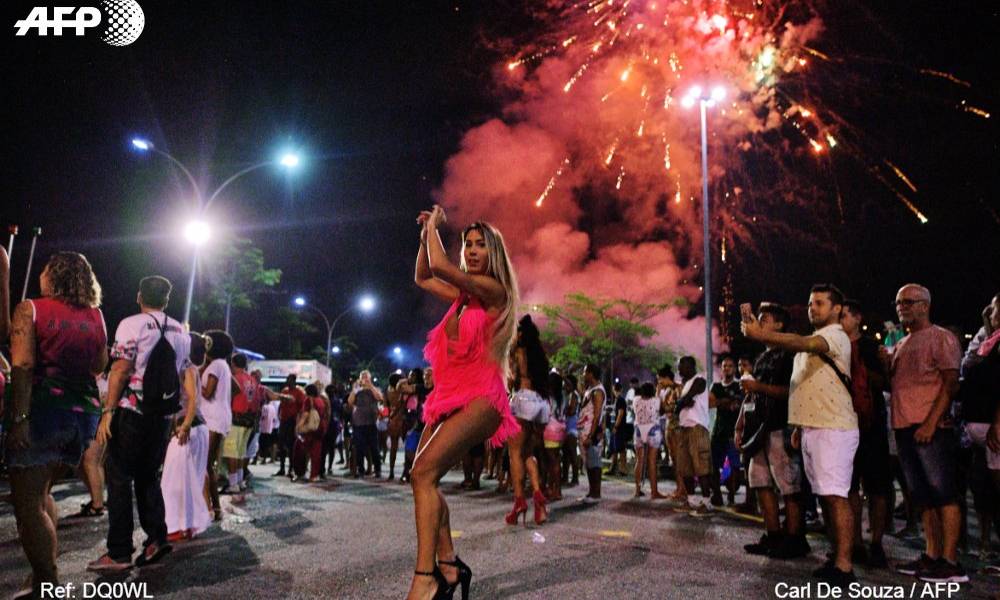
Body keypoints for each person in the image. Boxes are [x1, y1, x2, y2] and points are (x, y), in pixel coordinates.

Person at [407, 206, 519, 600]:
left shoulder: (494, 291)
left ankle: (426, 577)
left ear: (493, 252)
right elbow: (424, 275)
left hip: (481, 397)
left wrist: (436, 228)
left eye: (480, 245)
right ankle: (449, 565)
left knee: (423, 475)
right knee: (422, 477)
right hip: (448, 395)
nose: (471, 251)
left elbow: (439, 265)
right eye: (468, 244)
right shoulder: (462, 297)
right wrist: (427, 233)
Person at [742, 285, 859, 586]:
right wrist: (798, 426)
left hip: (833, 428)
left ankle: (844, 565)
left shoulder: (834, 336)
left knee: (835, 497)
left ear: (836, 309)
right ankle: (836, 557)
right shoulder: (811, 342)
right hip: (812, 428)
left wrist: (760, 334)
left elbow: (801, 342)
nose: (812, 308)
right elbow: (803, 388)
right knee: (825, 497)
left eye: (819, 303)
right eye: (810, 303)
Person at [7, 252, 108, 594]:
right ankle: (43, 576)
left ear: (52, 276)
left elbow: (22, 365)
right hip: (82, 417)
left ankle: (47, 582)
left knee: (27, 506)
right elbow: (99, 364)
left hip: (43, 411)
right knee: (42, 493)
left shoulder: (31, 309)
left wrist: (19, 419)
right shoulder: (96, 316)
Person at [89, 275, 190, 572]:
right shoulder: (181, 332)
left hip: (133, 412)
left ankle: (119, 552)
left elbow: (120, 370)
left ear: (139, 296)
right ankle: (156, 538)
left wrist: (108, 411)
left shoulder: (131, 324)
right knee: (148, 476)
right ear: (167, 300)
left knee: (119, 478)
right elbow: (182, 376)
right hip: (162, 416)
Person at [889, 284, 966, 583]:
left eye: (908, 302)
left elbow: (950, 384)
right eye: (898, 303)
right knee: (923, 496)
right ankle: (932, 555)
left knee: (943, 494)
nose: (901, 307)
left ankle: (950, 562)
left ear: (925, 305)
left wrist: (931, 423)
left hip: (930, 429)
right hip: (905, 427)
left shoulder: (941, 338)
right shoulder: (902, 342)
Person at [736, 303, 805, 559]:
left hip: (780, 425)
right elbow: (752, 395)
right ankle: (773, 535)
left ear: (779, 325)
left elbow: (792, 392)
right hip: (759, 430)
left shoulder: (789, 354)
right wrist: (740, 423)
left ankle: (795, 538)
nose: (759, 320)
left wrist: (759, 387)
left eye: (765, 318)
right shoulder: (763, 357)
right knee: (760, 481)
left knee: (789, 485)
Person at [840, 299, 892, 568]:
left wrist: (862, 372)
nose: (840, 320)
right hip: (843, 424)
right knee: (848, 487)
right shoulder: (833, 346)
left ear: (857, 318)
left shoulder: (871, 347)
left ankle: (877, 543)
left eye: (844, 315)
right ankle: (856, 543)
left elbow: (885, 383)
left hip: (871, 425)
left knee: (876, 487)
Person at [958, 294, 1000, 567]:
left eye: (995, 310)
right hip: (978, 428)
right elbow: (968, 367)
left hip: (994, 429)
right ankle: (985, 544)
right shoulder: (988, 341)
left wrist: (997, 421)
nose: (991, 312)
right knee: (982, 490)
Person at [161, 332, 210, 543]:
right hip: (194, 427)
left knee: (176, 481)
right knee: (187, 480)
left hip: (191, 428)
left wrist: (185, 426)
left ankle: (179, 526)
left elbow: (192, 399)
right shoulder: (186, 367)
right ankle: (185, 525)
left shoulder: (187, 368)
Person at [505, 314, 551, 525]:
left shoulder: (518, 351)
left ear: (521, 333)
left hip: (523, 401)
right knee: (528, 453)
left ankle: (519, 500)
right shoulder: (539, 354)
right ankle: (538, 496)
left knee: (514, 453)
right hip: (540, 404)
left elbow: (511, 378)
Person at [672, 356, 714, 515]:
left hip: (697, 428)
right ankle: (691, 500)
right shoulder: (687, 383)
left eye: (681, 366)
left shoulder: (699, 380)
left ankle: (707, 502)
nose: (679, 369)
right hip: (684, 428)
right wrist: (682, 402)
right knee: (685, 467)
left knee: (701, 466)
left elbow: (685, 401)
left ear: (690, 366)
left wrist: (681, 403)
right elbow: (683, 402)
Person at [200, 330, 233, 520]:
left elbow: (207, 393)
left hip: (212, 419)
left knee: (204, 465)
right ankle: (215, 508)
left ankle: (209, 509)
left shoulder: (216, 365)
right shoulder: (222, 365)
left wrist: (192, 381)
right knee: (208, 465)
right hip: (218, 417)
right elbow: (235, 389)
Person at [709, 355, 744, 506]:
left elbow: (739, 404)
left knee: (735, 466)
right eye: (724, 366)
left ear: (734, 369)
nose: (727, 368)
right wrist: (726, 402)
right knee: (713, 465)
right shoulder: (716, 386)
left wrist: (721, 402)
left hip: (733, 432)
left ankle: (731, 496)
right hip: (718, 431)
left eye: (730, 366)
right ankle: (717, 494)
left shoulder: (738, 386)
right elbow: (710, 403)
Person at [222, 353, 258, 496]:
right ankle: (240, 481)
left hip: (236, 419)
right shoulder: (252, 379)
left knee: (231, 452)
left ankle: (233, 484)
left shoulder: (235, 378)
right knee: (241, 453)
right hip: (249, 420)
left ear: (234, 364)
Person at [578, 364, 607, 503]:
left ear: (591, 373)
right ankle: (591, 492)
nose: (583, 375)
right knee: (589, 463)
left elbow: (597, 415)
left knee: (594, 463)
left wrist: (591, 435)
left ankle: (596, 494)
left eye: (585, 372)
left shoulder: (598, 392)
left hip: (592, 433)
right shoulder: (590, 390)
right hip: (586, 431)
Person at [633, 382, 666, 499]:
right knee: (652, 462)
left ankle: (637, 490)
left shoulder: (636, 400)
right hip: (653, 429)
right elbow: (661, 411)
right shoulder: (656, 400)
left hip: (639, 430)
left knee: (639, 460)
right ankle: (654, 492)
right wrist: (659, 392)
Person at [348, 370, 383, 478]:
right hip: (359, 423)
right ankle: (361, 470)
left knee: (374, 448)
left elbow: (380, 398)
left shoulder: (374, 389)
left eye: (366, 377)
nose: (364, 379)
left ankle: (377, 469)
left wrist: (370, 386)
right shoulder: (357, 390)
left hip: (371, 422)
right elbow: (350, 402)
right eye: (362, 377)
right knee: (359, 447)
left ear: (370, 378)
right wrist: (355, 390)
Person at [275, 374, 306, 477]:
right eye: (287, 379)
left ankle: (291, 468)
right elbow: (281, 404)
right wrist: (279, 414)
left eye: (289, 380)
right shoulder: (285, 391)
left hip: (292, 421)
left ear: (294, 381)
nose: (287, 381)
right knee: (281, 444)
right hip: (284, 420)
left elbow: (302, 408)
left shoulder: (299, 392)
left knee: (291, 445)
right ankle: (282, 468)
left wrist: (298, 422)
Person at [543, 371, 566, 501]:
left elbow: (545, 414)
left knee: (553, 462)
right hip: (560, 429)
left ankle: (556, 491)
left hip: (549, 430)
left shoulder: (548, 398)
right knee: (556, 460)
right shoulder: (562, 397)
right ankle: (555, 489)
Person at [561, 374, 580, 487]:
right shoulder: (566, 394)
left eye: (567, 384)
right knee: (566, 453)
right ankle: (565, 477)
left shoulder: (574, 395)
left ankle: (575, 477)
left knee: (572, 452)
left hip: (572, 426)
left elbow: (572, 411)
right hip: (566, 425)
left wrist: (563, 410)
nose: (565, 386)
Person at [609, 382, 628, 476]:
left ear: (614, 389)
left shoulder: (620, 400)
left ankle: (622, 469)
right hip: (617, 427)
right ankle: (614, 468)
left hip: (619, 428)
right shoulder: (618, 399)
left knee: (620, 448)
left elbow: (620, 414)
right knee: (615, 448)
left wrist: (616, 426)